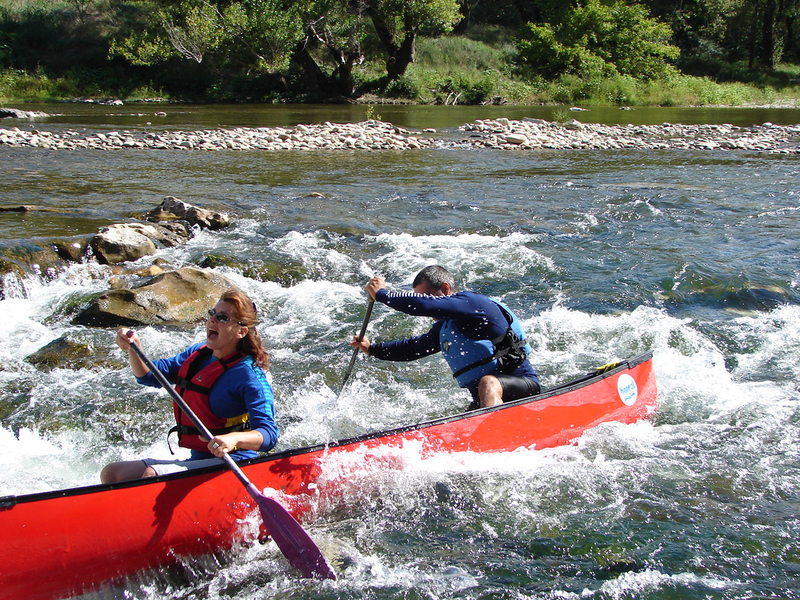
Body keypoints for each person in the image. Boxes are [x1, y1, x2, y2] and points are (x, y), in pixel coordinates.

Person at [101, 288, 278, 483]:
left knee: (148, 475)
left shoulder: (249, 376)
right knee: (112, 473)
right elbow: (148, 375)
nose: (212, 320)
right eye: (212, 313)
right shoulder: (198, 355)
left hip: (232, 465)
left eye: (223, 318)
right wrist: (133, 346)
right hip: (199, 462)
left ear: (241, 331)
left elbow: (269, 434)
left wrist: (233, 439)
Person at [350, 266, 540, 410]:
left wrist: (383, 294)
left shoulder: (474, 305)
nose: (428, 304)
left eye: (428, 296)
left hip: (523, 387)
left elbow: (422, 306)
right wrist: (372, 349)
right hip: (487, 403)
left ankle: (495, 437)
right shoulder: (445, 327)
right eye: (423, 297)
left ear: (446, 288)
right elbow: (414, 348)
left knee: (488, 382)